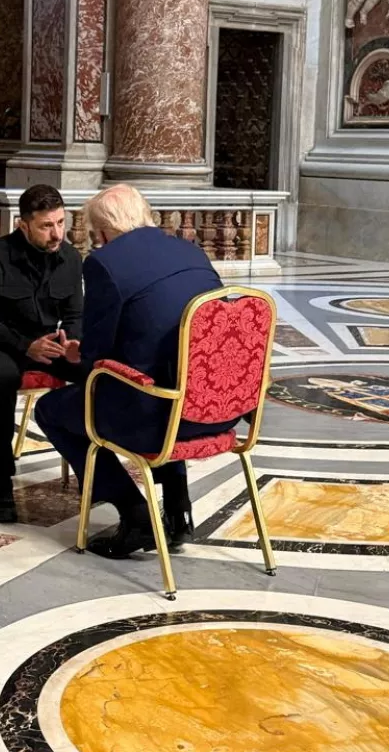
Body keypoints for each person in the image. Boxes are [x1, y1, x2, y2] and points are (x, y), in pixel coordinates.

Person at [35, 184, 254, 558]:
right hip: (218, 412)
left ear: (102, 232)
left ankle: (135, 513)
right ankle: (178, 512)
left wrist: (77, 354)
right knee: (171, 377)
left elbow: (98, 356)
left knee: (52, 410)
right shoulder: (191, 251)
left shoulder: (105, 263)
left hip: (157, 422)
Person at [0, 185, 83, 523]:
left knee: (95, 371)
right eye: (47, 226)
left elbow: (75, 314)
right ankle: (0, 480)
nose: (56, 233)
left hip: (46, 344)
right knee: (2, 377)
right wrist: (24, 345)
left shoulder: (71, 258)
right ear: (23, 225)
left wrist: (72, 343)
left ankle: (93, 470)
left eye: (61, 222)